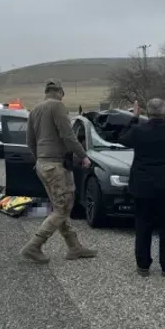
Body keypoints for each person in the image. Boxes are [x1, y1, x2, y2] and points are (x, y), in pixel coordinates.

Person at [20, 78, 97, 263]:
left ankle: (74, 247)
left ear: (46, 92)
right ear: (61, 92)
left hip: (43, 164)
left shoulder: (35, 110)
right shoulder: (58, 107)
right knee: (62, 209)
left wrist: (38, 158)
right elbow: (68, 135)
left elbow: (29, 141)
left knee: (59, 206)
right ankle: (34, 246)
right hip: (56, 165)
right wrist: (83, 156)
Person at [118, 98, 165, 277]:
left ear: (147, 112)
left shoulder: (139, 131)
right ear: (164, 111)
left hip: (143, 185)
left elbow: (122, 138)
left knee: (142, 225)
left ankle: (143, 265)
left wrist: (133, 118)